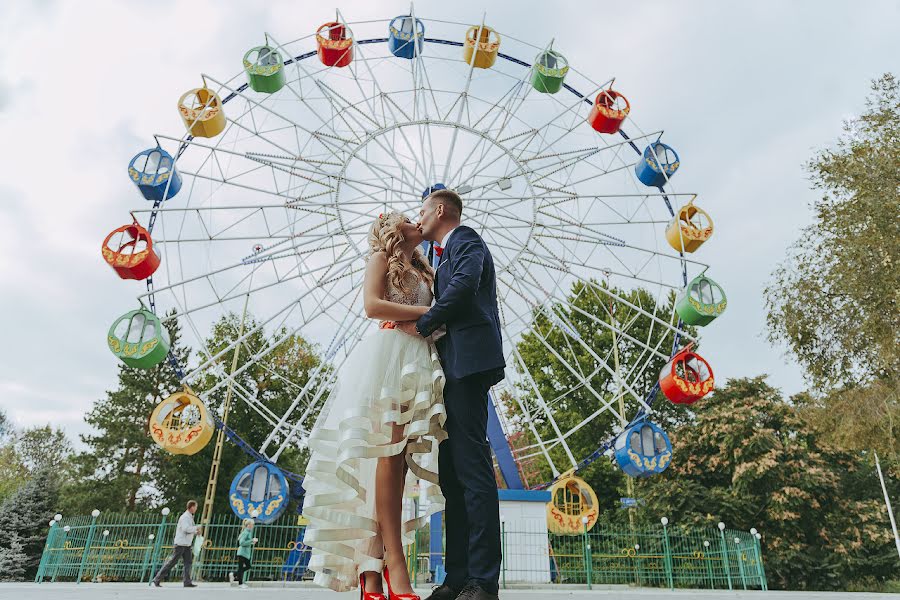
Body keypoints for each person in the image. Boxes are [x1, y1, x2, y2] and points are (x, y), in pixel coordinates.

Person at [302, 212, 447, 600]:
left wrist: (432, 319)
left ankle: (371, 574)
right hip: (389, 359)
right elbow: (372, 306)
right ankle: (395, 569)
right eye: (408, 219)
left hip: (419, 362)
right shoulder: (381, 260)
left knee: (396, 468)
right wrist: (430, 315)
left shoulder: (427, 270)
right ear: (392, 230)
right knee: (388, 457)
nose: (418, 222)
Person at [396, 188, 505, 600]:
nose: (418, 217)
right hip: (452, 367)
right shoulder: (443, 254)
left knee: (473, 471)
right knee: (454, 476)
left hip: (469, 364)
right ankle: (457, 577)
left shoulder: (466, 240)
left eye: (423, 210)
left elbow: (462, 290)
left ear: (440, 210)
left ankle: (482, 580)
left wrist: (420, 326)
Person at [153, 500, 202, 588]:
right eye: (195, 507)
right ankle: (157, 578)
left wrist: (195, 532)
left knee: (188, 562)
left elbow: (189, 529)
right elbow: (185, 528)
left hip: (186, 544)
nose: (196, 509)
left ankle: (187, 581)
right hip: (180, 544)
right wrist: (196, 528)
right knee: (172, 562)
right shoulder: (185, 517)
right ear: (191, 507)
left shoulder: (189, 517)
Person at [229, 518, 257, 588]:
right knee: (241, 568)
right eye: (252, 525)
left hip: (244, 553)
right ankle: (240, 583)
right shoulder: (246, 532)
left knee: (247, 566)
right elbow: (241, 542)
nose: (253, 526)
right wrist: (251, 541)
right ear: (249, 525)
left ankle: (234, 575)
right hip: (242, 552)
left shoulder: (247, 532)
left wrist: (252, 542)